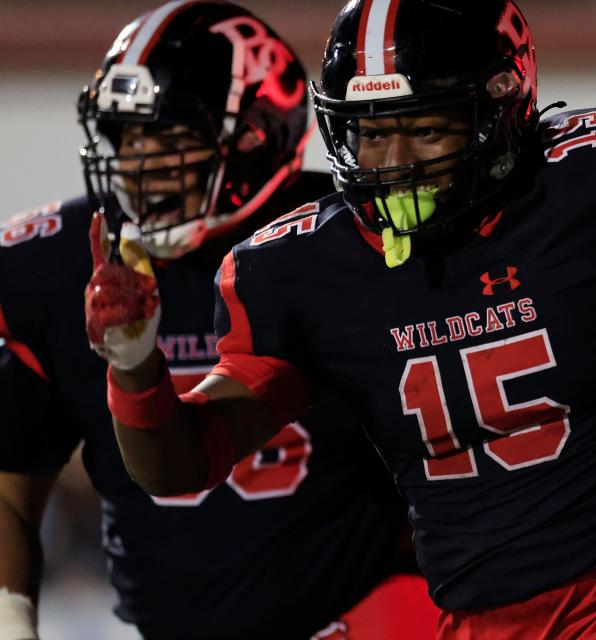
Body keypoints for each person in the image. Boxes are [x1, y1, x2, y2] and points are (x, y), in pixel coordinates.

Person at [88, 1, 596, 638]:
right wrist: (134, 365)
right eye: (369, 133)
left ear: (502, 107)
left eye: (422, 125)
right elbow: (183, 464)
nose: (392, 161)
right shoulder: (298, 268)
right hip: (477, 620)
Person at [0, 2, 439, 639]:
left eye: (172, 137)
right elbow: (11, 488)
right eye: (125, 136)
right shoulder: (59, 263)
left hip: (375, 611)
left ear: (258, 133)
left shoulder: (351, 240)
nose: (138, 165)